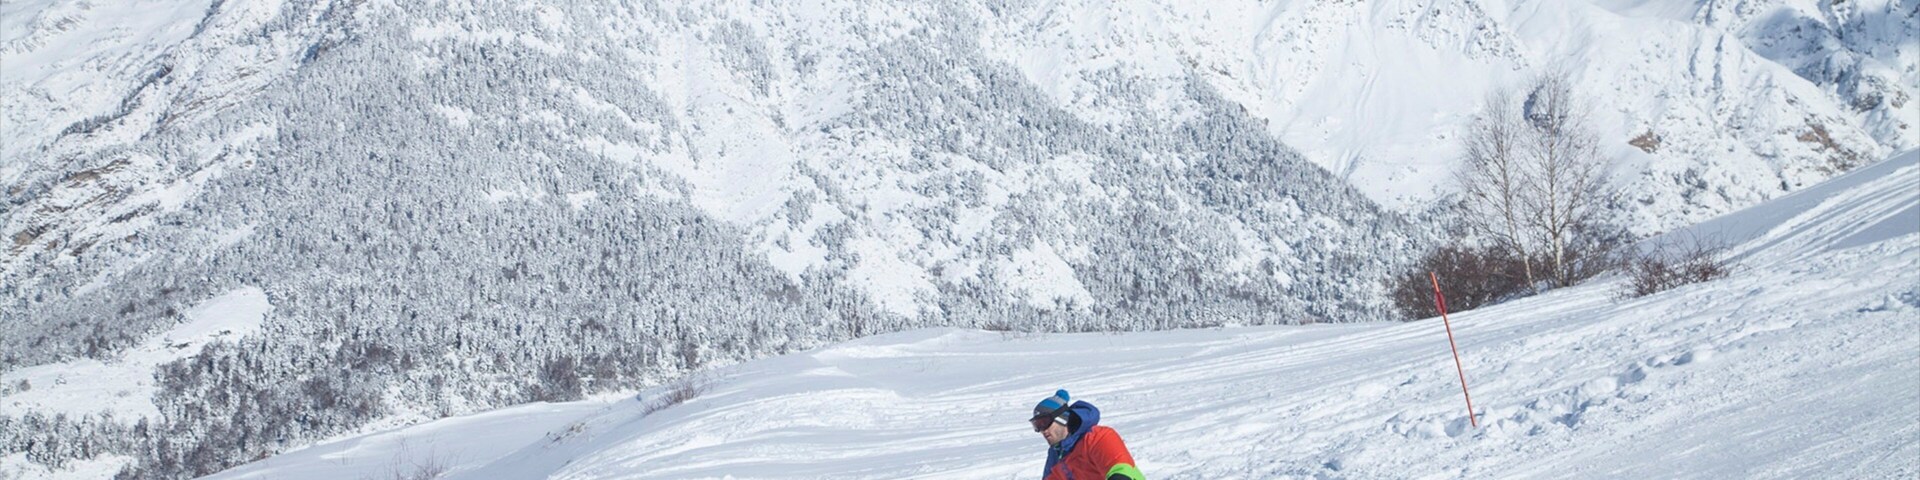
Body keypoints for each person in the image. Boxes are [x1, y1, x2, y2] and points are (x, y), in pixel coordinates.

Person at [1030, 389, 1143, 480]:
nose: (1042, 430)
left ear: (1062, 418)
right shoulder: (1055, 456)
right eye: (1037, 425)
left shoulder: (1097, 438)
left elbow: (1121, 469)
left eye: (1044, 422)